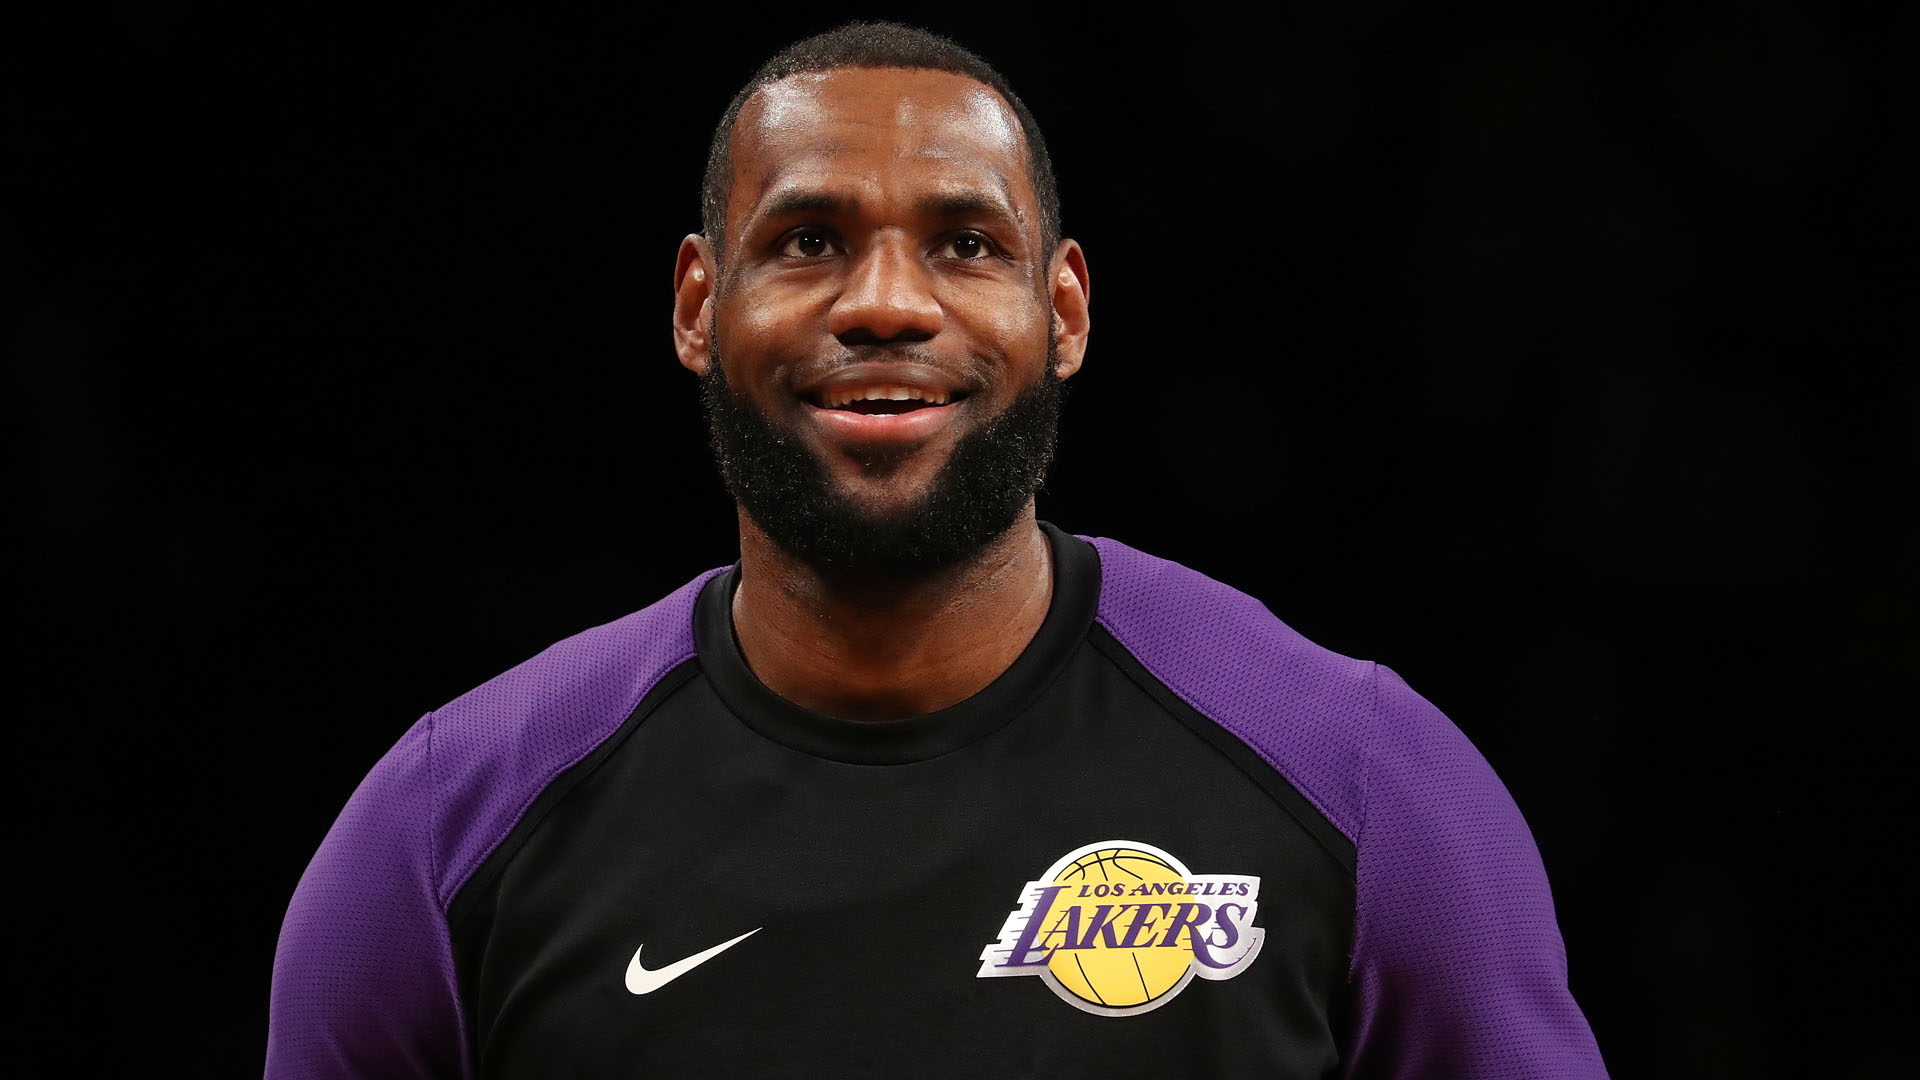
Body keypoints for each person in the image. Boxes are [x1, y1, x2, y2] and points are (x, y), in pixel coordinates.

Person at [268, 21, 1606, 1078]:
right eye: (808, 242)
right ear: (697, 306)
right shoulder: (444, 826)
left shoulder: (1365, 780)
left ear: (1063, 311)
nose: (889, 302)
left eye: (965, 244)